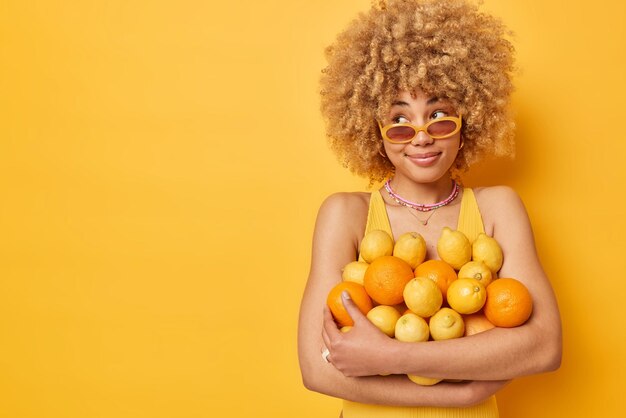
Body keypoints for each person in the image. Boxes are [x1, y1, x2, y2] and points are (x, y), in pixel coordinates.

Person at [297, 0, 562, 417]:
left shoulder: (498, 208)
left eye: (439, 116)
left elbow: (544, 346)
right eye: (400, 121)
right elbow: (316, 369)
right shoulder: (344, 215)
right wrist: (461, 391)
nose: (420, 137)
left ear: (468, 121)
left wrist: (390, 357)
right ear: (376, 132)